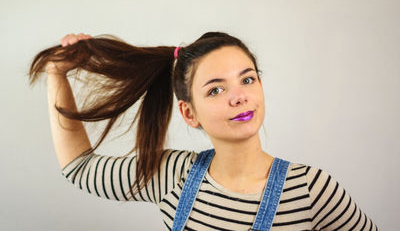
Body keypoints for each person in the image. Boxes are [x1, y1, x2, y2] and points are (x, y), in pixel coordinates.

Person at [28, 32, 378, 230]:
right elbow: (79, 168)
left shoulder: (312, 190)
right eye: (215, 89)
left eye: (247, 79)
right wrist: (57, 75)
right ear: (188, 113)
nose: (239, 96)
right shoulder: (172, 176)